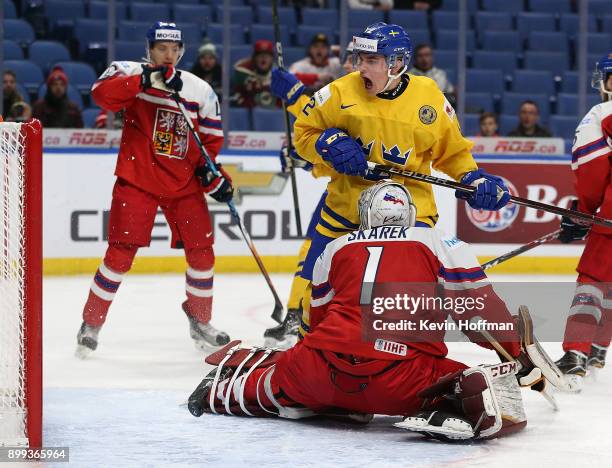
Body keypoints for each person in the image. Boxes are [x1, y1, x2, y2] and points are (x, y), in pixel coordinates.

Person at [187, 181, 562, 442]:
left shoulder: (333, 248)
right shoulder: (437, 240)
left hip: (320, 369)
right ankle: (454, 406)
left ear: (365, 214)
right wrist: (514, 351)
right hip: (399, 382)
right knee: (474, 384)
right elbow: (480, 314)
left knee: (294, 370)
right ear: (410, 214)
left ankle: (230, 388)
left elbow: (317, 324)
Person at [75, 22, 233, 357]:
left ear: (181, 51)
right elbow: (101, 95)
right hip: (138, 180)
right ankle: (92, 323)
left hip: (183, 185)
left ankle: (200, 320)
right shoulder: (129, 72)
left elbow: (211, 139)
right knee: (119, 255)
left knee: (202, 253)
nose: (168, 54)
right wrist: (145, 80)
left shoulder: (198, 88)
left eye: (173, 49)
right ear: (149, 49)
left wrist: (209, 171)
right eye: (161, 47)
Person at [555, 53, 612, 387]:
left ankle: (576, 354)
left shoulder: (602, 113)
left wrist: (585, 212)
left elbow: (592, 173)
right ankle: (598, 348)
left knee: (593, 283)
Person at [232, 40, 276, 108]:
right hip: (247, 112)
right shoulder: (243, 71)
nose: (263, 58)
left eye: (267, 55)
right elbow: (236, 96)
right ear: (254, 58)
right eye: (260, 55)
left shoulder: (278, 74)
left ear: (272, 59)